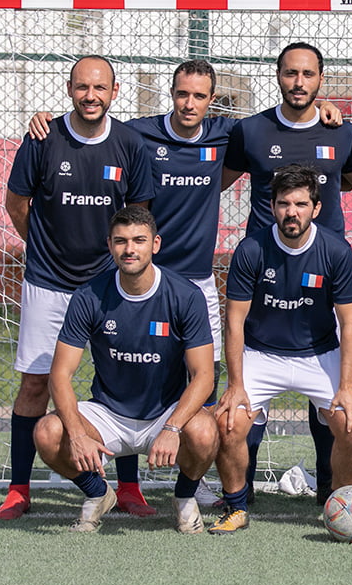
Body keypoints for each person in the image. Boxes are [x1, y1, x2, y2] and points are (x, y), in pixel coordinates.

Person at [26, 60, 345, 507]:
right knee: (127, 369)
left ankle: (198, 483)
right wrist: (48, 119)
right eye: (181, 94)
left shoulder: (224, 136)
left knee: (206, 384)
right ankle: (122, 486)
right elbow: (93, 120)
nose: (189, 103)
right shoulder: (139, 134)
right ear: (171, 94)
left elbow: (285, 129)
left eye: (199, 96)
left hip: (193, 283)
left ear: (212, 100)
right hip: (142, 277)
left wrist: (323, 107)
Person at [0, 55, 155, 520]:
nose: (91, 95)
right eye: (83, 87)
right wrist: (44, 249)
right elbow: (16, 203)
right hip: (48, 284)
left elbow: (138, 218)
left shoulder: (129, 143)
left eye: (100, 87)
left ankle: (128, 487)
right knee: (35, 383)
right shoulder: (43, 137)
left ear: (115, 91)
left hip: (110, 286)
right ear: (70, 89)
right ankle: (19, 489)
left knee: (120, 381)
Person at [221, 42, 352, 503]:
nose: (299, 82)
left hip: (324, 270)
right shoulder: (250, 131)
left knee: (333, 403)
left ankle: (333, 494)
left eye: (308, 74)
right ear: (278, 76)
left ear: (320, 79)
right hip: (265, 269)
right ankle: (239, 497)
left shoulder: (343, 133)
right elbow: (213, 178)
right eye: (290, 73)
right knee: (240, 410)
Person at [32, 206, 219, 533]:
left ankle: (185, 497)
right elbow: (60, 375)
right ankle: (98, 493)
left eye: (138, 240)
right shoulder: (89, 296)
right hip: (108, 415)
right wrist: (76, 434)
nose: (129, 249)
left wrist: (173, 428)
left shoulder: (185, 295)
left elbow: (204, 376)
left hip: (164, 413)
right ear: (110, 245)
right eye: (121, 241)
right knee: (47, 433)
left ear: (155, 244)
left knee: (205, 432)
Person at [209, 165, 352, 534]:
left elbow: (351, 325)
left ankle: (341, 506)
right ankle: (236, 505)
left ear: (316, 207)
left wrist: (346, 385)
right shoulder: (251, 249)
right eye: (283, 204)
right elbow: (233, 322)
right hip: (262, 355)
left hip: (319, 354)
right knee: (227, 422)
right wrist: (235, 384)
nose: (291, 212)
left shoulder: (336, 251)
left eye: (299, 204)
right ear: (272, 206)